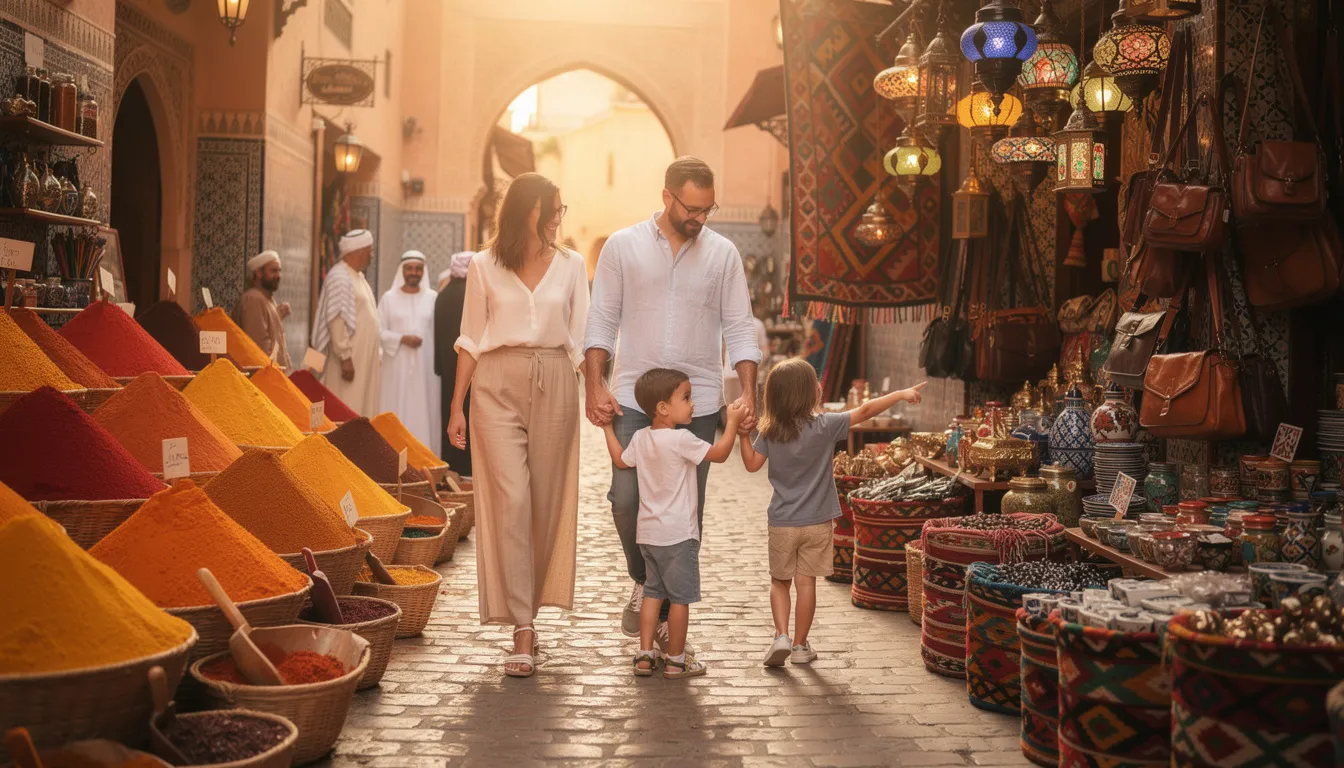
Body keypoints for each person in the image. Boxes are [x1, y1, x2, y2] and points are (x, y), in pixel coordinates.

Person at [584, 156, 762, 642]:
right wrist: (593, 385)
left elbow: (740, 328)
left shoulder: (723, 254)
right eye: (692, 208)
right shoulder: (622, 247)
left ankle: (662, 619)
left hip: (696, 403)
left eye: (708, 209)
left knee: (687, 513)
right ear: (667, 197)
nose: (700, 218)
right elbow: (601, 321)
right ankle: (645, 582)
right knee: (626, 500)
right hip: (632, 398)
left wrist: (748, 395)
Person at [446, 172, 589, 678]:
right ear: (528, 208)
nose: (557, 217)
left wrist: (596, 391)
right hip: (495, 384)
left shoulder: (572, 266)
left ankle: (529, 604)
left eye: (560, 209)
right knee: (512, 500)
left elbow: (580, 340)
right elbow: (469, 337)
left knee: (545, 502)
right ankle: (523, 628)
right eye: (552, 207)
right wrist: (457, 404)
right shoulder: (484, 266)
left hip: (555, 379)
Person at [740, 358, 926, 665]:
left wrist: (742, 435)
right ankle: (800, 647)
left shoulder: (769, 431)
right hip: (817, 522)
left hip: (783, 522)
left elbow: (750, 464)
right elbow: (866, 411)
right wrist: (902, 393)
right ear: (810, 392)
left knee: (779, 582)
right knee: (806, 582)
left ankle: (781, 635)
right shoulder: (825, 426)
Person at [599, 368, 743, 679]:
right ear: (664, 408)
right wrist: (730, 423)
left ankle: (644, 655)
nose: (693, 404)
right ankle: (677, 659)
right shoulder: (682, 439)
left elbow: (621, 460)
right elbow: (718, 454)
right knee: (679, 600)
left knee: (653, 594)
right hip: (679, 536)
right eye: (687, 398)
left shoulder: (640, 437)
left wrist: (607, 429)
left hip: (648, 535)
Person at [312, 229, 382, 416]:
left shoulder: (357, 277)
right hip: (348, 362)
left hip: (361, 360)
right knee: (346, 407)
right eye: (370, 250)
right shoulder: (339, 277)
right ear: (358, 251)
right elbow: (336, 319)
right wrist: (345, 358)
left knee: (360, 407)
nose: (372, 255)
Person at [378, 251, 441, 456]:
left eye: (418, 268)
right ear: (402, 270)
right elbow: (378, 332)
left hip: (425, 370)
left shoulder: (432, 298)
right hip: (396, 368)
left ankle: (424, 459)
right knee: (396, 409)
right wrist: (402, 339)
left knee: (424, 412)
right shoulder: (389, 299)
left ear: (423, 271)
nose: (414, 272)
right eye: (409, 268)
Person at [434, 253, 474, 473]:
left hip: (447, 369)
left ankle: (452, 465)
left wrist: (439, 366)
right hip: (469, 366)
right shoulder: (472, 295)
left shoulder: (443, 295)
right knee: (466, 414)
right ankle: (467, 467)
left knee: (451, 414)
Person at [232, 250, 292, 370]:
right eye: (273, 271)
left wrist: (277, 315)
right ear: (259, 273)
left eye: (279, 271)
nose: (278, 275)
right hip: (264, 377)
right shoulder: (253, 299)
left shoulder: (267, 299)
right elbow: (259, 347)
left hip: (273, 375)